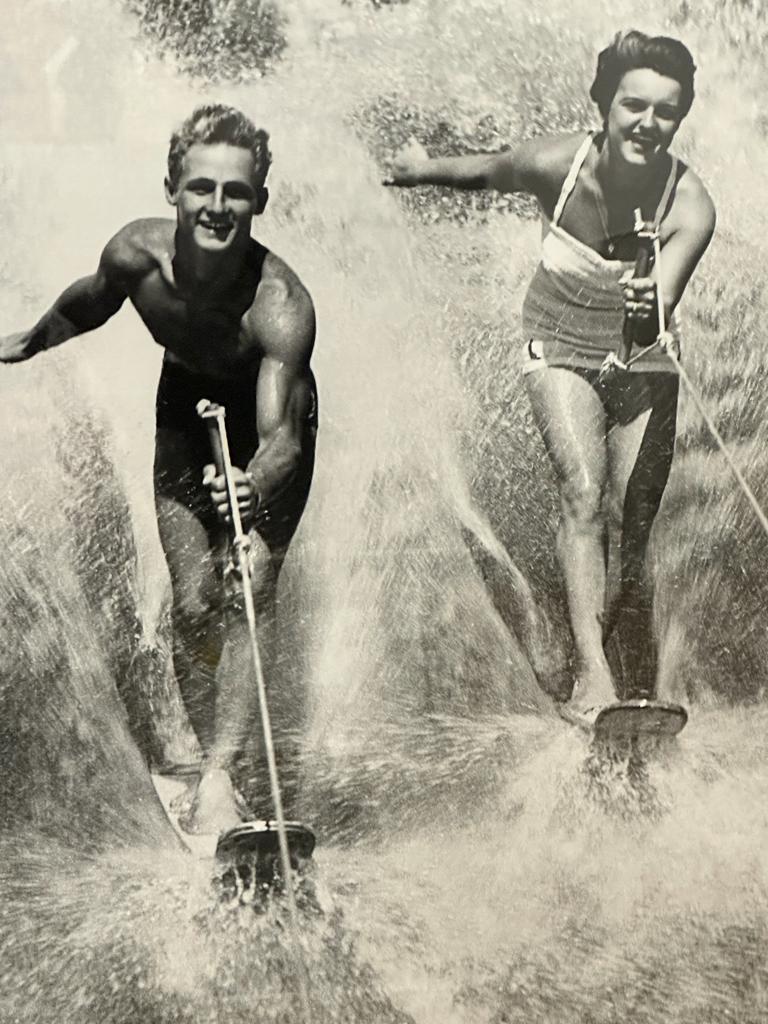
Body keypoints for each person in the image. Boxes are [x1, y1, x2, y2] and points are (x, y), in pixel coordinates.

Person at [0, 104, 318, 830]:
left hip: (272, 433)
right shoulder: (135, 254)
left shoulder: (279, 306)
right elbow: (92, 300)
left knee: (251, 579)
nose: (217, 206)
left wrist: (255, 480)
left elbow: (285, 440)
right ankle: (213, 759)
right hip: (184, 408)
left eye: (236, 192)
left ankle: (220, 775)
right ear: (171, 188)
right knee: (195, 602)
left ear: (259, 201)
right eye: (201, 187)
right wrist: (35, 337)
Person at [385, 31, 715, 726]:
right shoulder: (557, 164)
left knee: (632, 529)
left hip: (643, 358)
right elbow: (486, 171)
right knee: (583, 492)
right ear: (604, 104)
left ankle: (639, 683)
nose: (648, 124)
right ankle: (593, 678)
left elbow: (664, 302)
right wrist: (420, 169)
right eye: (634, 105)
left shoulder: (689, 204)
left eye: (666, 111)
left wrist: (651, 301)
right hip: (558, 342)